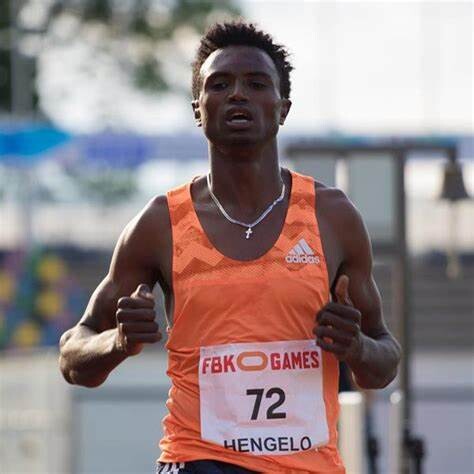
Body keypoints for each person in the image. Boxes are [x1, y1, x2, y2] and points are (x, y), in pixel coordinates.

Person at [59, 20, 401, 474]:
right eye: (219, 84)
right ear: (198, 109)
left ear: (282, 108)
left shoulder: (331, 217)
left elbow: (384, 362)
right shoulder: (161, 224)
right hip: (198, 459)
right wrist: (117, 342)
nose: (238, 94)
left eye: (256, 84)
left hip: (307, 465)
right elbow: (73, 357)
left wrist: (355, 347)